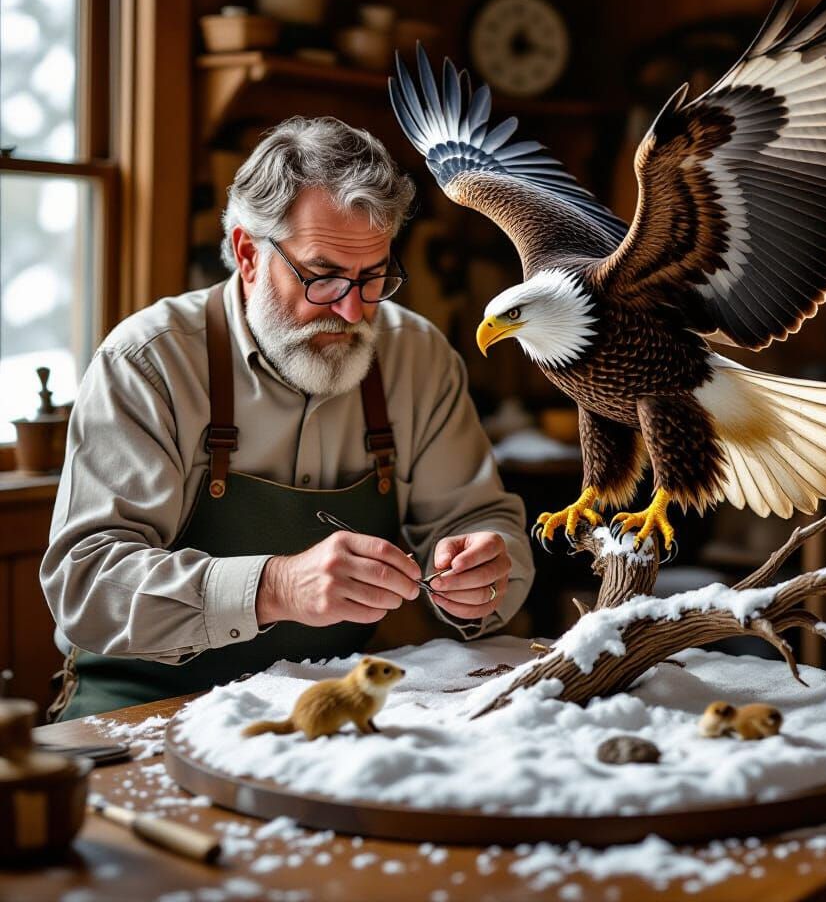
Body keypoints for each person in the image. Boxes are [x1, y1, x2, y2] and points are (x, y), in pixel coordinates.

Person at [41, 116, 535, 721]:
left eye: (373, 277)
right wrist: (275, 587)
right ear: (249, 254)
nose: (351, 311)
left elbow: (483, 521)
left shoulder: (418, 356)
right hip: (143, 704)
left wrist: (482, 577)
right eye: (322, 277)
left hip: (322, 701)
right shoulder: (148, 362)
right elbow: (87, 584)